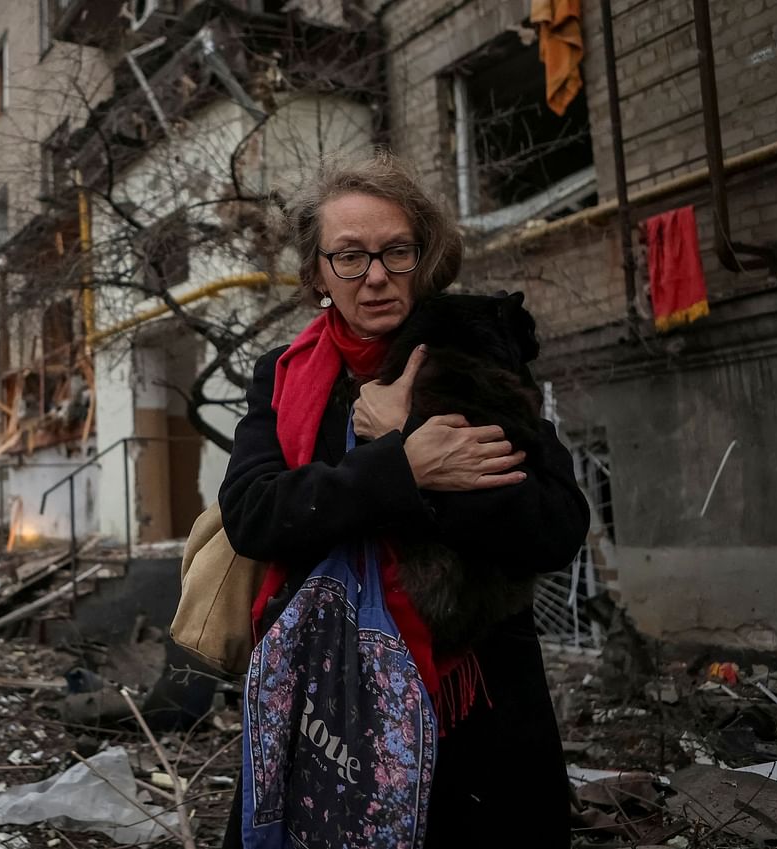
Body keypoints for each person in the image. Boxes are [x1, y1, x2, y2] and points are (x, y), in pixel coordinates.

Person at [218, 152, 589, 848]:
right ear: (318, 272)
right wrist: (401, 466)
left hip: (473, 708)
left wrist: (412, 443)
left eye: (396, 251)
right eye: (350, 256)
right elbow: (253, 512)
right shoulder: (287, 373)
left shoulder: (477, 353)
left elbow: (557, 523)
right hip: (320, 695)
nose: (377, 275)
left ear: (426, 255)